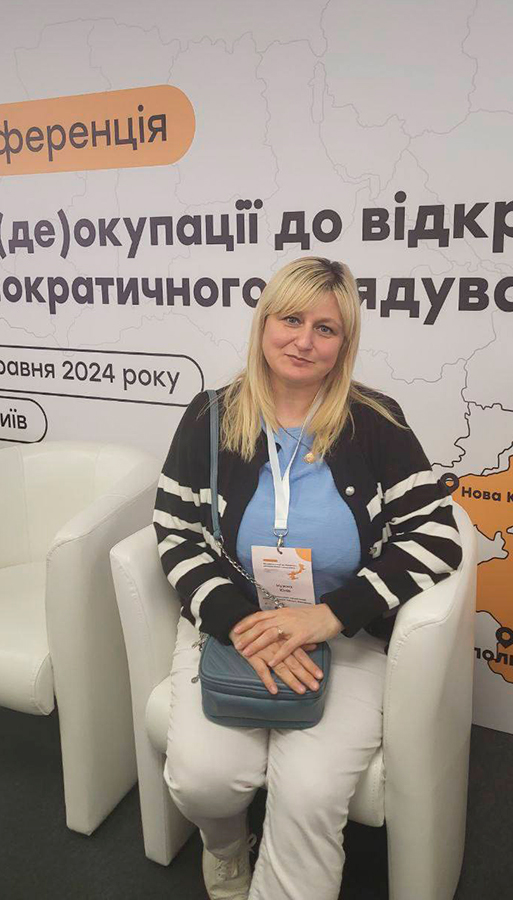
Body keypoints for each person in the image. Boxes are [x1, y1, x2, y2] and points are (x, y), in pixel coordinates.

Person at [153, 256, 463, 900]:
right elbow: (175, 529)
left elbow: (437, 536)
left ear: (344, 343)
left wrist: (329, 615)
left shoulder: (376, 420)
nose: (303, 340)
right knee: (204, 780)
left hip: (343, 637)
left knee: (310, 792)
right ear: (264, 323)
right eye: (290, 320)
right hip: (234, 627)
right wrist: (241, 623)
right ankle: (226, 849)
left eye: (326, 328)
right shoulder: (210, 415)